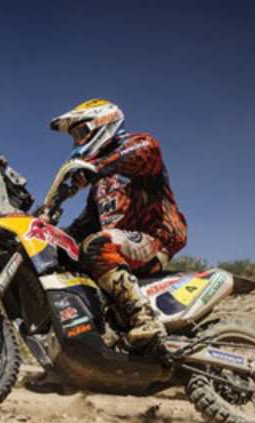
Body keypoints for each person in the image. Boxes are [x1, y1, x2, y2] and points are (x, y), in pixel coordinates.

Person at [49, 99, 188, 348]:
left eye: (81, 133)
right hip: (120, 247)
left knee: (97, 245)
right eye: (75, 137)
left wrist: (96, 168)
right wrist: (53, 237)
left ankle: (144, 317)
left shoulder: (140, 147)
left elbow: (147, 149)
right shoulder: (100, 186)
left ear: (102, 124)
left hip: (155, 237)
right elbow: (84, 224)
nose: (77, 142)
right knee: (70, 258)